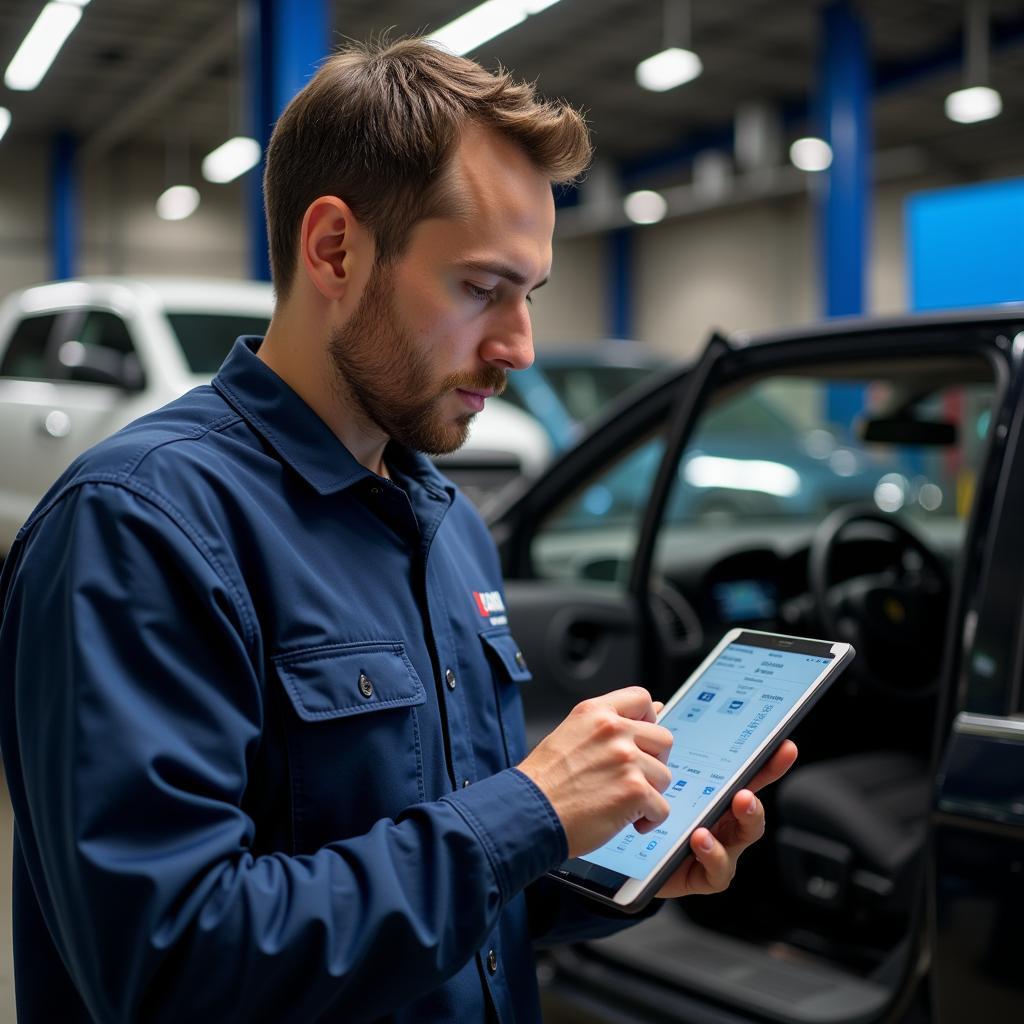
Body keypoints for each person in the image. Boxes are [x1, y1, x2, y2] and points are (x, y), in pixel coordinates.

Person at [0, 37, 796, 1023]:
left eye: (529, 295)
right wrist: (526, 810)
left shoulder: (447, 523)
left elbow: (449, 892)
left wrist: (603, 857)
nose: (518, 348)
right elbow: (168, 967)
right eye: (479, 288)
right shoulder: (139, 527)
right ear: (334, 248)